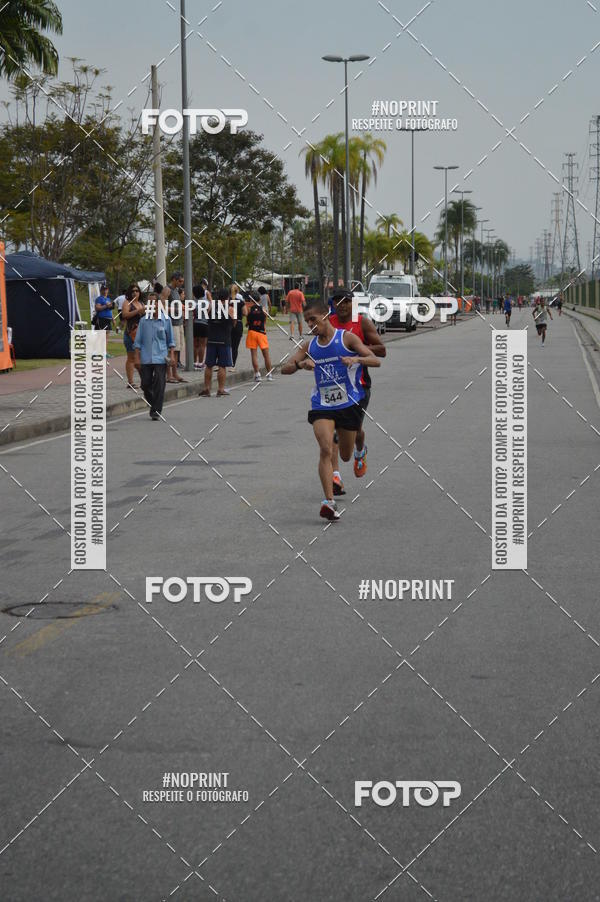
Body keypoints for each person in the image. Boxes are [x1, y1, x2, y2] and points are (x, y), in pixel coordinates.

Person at [281, 298, 382, 521]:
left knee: (344, 455)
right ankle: (329, 502)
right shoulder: (310, 346)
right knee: (326, 449)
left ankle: (359, 451)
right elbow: (284, 369)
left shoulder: (346, 338)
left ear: (325, 317)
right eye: (307, 322)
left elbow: (375, 360)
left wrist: (354, 359)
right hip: (322, 404)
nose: (310, 325)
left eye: (313, 320)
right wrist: (300, 365)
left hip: (348, 403)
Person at [328, 287, 386, 494]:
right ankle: (335, 477)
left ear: (352, 303)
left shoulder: (362, 322)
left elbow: (382, 350)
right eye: (338, 301)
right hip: (332, 386)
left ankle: (360, 451)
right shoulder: (328, 323)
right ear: (333, 304)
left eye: (346, 301)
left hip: (358, 386)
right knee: (333, 430)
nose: (342, 305)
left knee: (353, 431)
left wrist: (355, 349)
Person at [133, 283, 176, 420]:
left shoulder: (166, 320)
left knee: (159, 383)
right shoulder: (143, 321)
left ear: (158, 304)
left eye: (154, 303)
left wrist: (172, 356)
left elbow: (171, 342)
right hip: (145, 358)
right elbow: (138, 342)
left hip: (160, 357)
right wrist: (136, 358)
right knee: (145, 384)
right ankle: (154, 404)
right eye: (149, 303)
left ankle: (156, 411)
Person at [200, 288, 236, 397]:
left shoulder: (211, 306)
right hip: (224, 339)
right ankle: (220, 389)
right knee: (222, 366)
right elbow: (234, 323)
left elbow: (206, 317)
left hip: (211, 338)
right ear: (228, 297)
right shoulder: (230, 308)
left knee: (209, 365)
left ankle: (206, 388)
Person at [121, 283, 146, 387]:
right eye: (133, 291)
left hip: (141, 334)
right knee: (131, 357)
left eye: (137, 291)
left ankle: (144, 380)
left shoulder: (141, 303)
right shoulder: (127, 302)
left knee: (142, 358)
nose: (135, 293)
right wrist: (138, 311)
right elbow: (125, 315)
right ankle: (130, 382)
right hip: (130, 333)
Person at [245, 291, 273, 382]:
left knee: (254, 355)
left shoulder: (249, 309)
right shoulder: (263, 309)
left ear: (251, 300)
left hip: (252, 332)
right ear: (259, 299)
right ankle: (269, 374)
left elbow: (247, 321)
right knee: (266, 355)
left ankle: (257, 374)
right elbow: (264, 321)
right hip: (261, 332)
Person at [167, 271, 186, 382]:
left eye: (182, 282)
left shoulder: (176, 291)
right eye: (180, 281)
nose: (181, 283)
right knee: (171, 350)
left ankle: (175, 373)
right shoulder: (167, 290)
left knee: (177, 349)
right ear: (174, 279)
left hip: (178, 323)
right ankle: (168, 374)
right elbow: (162, 306)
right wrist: (176, 309)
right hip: (172, 323)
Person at [192, 283, 209, 369]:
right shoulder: (206, 302)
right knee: (202, 345)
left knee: (195, 344)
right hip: (204, 324)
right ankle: (201, 363)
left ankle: (194, 362)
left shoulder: (193, 303)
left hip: (195, 324)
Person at [230, 284, 246, 367]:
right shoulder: (241, 302)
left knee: (226, 345)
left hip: (227, 324)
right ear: (237, 291)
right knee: (235, 347)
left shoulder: (226, 301)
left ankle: (222, 363)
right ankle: (233, 364)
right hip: (238, 324)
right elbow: (245, 313)